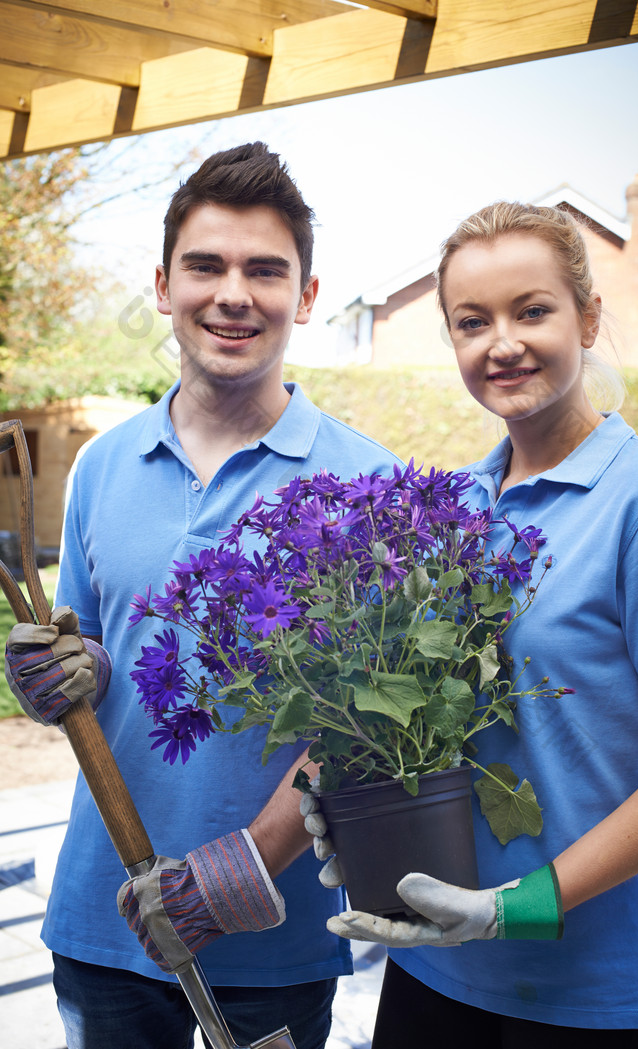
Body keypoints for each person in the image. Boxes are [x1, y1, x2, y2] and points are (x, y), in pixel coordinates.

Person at [4, 142, 400, 1049]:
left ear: (304, 296)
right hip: (104, 917)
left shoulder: (368, 484)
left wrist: (242, 869)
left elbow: (372, 729)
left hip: (272, 940)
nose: (234, 293)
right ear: (161, 284)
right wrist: (60, 673)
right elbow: (97, 660)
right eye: (206, 265)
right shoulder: (103, 463)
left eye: (266, 270)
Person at [323, 201, 638, 1046]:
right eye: (472, 321)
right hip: (432, 962)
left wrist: (513, 908)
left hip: (583, 987)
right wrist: (352, 799)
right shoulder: (449, 504)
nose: (503, 342)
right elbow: (427, 716)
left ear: (589, 317)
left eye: (533, 310)